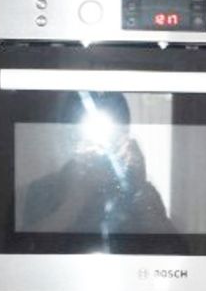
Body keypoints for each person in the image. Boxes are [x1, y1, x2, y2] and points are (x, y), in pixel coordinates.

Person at [17, 89, 178, 246]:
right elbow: (20, 255)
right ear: (71, 139)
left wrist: (139, 189)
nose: (103, 149)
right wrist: (76, 200)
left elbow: (178, 256)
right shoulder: (42, 190)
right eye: (90, 140)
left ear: (125, 139)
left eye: (114, 139)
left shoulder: (139, 190)